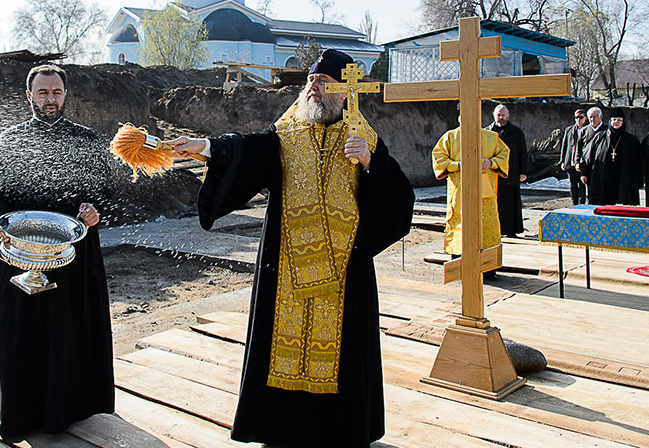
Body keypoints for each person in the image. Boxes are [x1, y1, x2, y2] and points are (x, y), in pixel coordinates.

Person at [168, 49, 415, 448]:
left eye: (324, 83)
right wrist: (205, 146)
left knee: (343, 354)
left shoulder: (361, 135)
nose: (314, 88)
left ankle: (341, 432)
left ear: (344, 93)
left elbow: (399, 200)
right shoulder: (287, 132)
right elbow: (248, 150)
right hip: (285, 267)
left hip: (342, 273)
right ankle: (279, 429)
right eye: (310, 83)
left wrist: (371, 162)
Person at [0, 64, 114, 440]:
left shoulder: (86, 139)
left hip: (73, 251)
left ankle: (65, 412)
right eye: (42, 92)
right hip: (18, 250)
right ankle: (18, 414)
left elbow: (104, 187)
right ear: (29, 96)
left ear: (65, 94)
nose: (50, 99)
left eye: (56, 91)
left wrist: (94, 209)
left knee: (67, 331)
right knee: (14, 330)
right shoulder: (8, 142)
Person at [432, 112, 510, 258]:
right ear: (459, 119)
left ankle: (488, 265)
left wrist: (491, 163)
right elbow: (438, 158)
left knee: (485, 222)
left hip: (484, 189)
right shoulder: (450, 136)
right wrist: (457, 165)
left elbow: (504, 154)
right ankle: (459, 259)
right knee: (461, 221)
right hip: (460, 189)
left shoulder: (491, 137)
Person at [579, 107, 641, 205]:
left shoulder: (631, 140)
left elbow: (639, 162)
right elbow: (588, 155)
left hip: (622, 179)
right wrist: (584, 172)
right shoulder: (600, 137)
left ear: (623, 122)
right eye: (614, 119)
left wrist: (639, 180)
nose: (616, 122)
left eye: (619, 120)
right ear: (610, 121)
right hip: (603, 178)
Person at [485, 104, 528, 237]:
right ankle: (493, 231)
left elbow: (523, 153)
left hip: (511, 173)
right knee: (493, 203)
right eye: (498, 115)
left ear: (508, 116)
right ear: (494, 116)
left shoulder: (516, 132)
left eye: (503, 115)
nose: (501, 117)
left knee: (510, 203)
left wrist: (523, 172)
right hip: (492, 173)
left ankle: (510, 230)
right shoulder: (487, 132)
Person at [578, 107, 607, 203]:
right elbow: (579, 148)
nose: (592, 119)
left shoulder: (607, 130)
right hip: (589, 165)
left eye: (595, 117)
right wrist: (579, 163)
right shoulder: (585, 130)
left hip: (603, 165)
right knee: (590, 192)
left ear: (601, 117)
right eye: (590, 117)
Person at [559, 109, 588, 205]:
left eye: (581, 117)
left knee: (582, 183)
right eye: (576, 117)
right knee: (572, 183)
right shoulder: (569, 130)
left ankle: (581, 202)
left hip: (581, 162)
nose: (578, 120)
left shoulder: (588, 129)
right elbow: (564, 146)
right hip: (570, 161)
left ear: (585, 118)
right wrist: (562, 161)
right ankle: (574, 202)